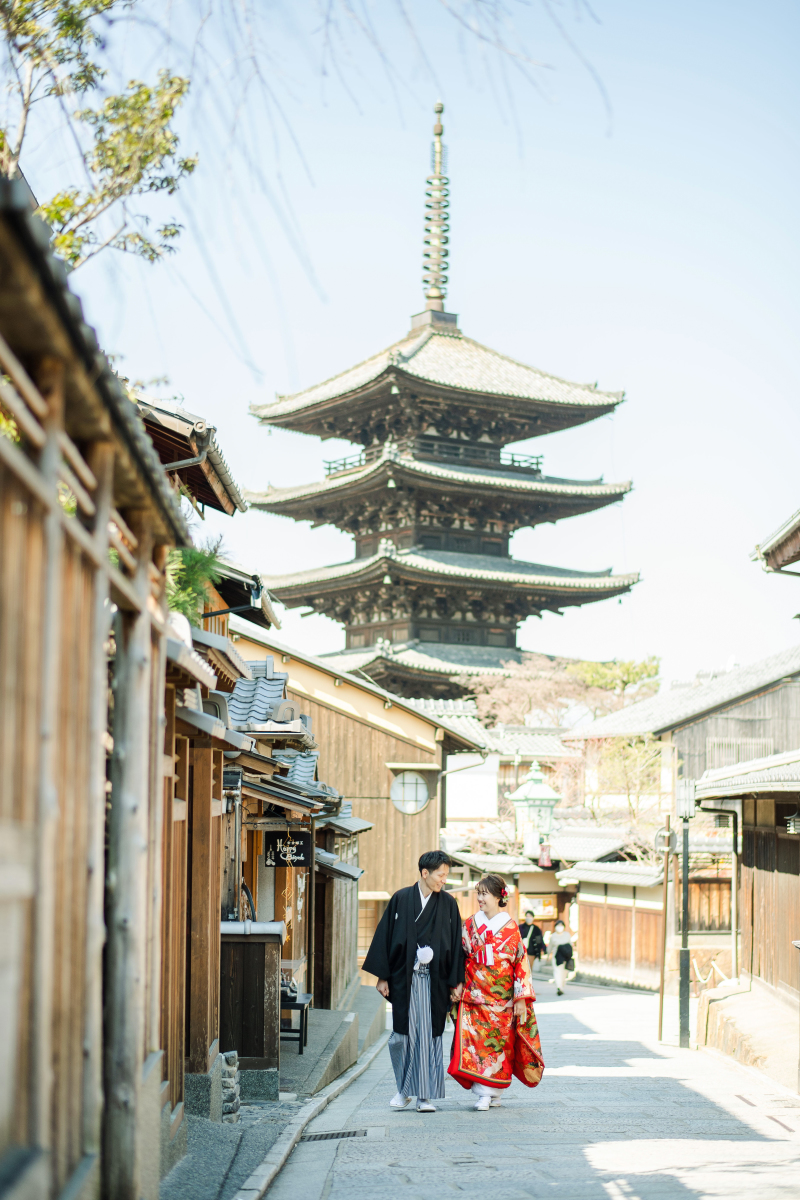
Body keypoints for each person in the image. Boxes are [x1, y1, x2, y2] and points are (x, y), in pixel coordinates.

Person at [362, 849, 465, 1114]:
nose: (444, 880)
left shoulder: (449, 904)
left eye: (446, 876)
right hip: (405, 979)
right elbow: (386, 936)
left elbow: (455, 944)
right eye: (441, 875)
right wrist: (382, 976)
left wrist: (456, 982)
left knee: (429, 1037)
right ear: (425, 873)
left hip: (435, 982)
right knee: (401, 1038)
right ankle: (403, 1089)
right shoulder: (401, 899)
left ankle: (424, 1097)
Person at [448, 874, 544, 1110]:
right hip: (473, 995)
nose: (479, 898)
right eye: (478, 893)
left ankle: (493, 1092)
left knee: (499, 1046)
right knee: (477, 1045)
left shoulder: (510, 928)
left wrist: (521, 998)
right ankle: (484, 1093)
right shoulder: (470, 924)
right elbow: (459, 955)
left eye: (484, 894)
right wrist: (457, 983)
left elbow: (521, 962)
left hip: (501, 1000)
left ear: (498, 896)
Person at [548, 919, 575, 996]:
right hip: (557, 956)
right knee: (557, 971)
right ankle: (559, 987)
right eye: (558, 926)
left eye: (561, 925)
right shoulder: (553, 936)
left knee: (564, 972)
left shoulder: (567, 935)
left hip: (566, 956)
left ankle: (562, 987)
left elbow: (570, 945)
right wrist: (548, 954)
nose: (559, 927)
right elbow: (550, 946)